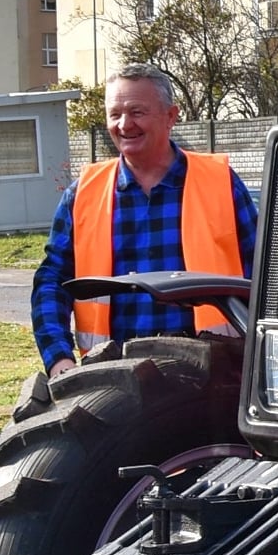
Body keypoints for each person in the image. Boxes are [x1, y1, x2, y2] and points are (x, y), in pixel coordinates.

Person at [31, 63, 258, 379]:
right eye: (115, 114)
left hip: (214, 376)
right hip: (112, 380)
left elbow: (266, 275)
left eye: (137, 112)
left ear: (171, 116)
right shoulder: (83, 194)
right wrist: (58, 359)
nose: (124, 124)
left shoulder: (221, 184)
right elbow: (52, 281)